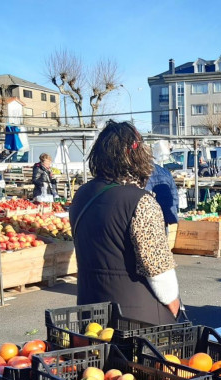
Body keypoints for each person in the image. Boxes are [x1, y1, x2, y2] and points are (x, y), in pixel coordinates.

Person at [70, 122, 180, 324]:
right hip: (136, 319)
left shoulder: (82, 195)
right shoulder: (140, 200)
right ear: (135, 155)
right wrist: (174, 304)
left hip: (90, 312)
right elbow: (158, 269)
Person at [145, 161, 179, 232]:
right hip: (165, 219)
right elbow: (174, 199)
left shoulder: (138, 174)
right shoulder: (165, 172)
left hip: (147, 220)